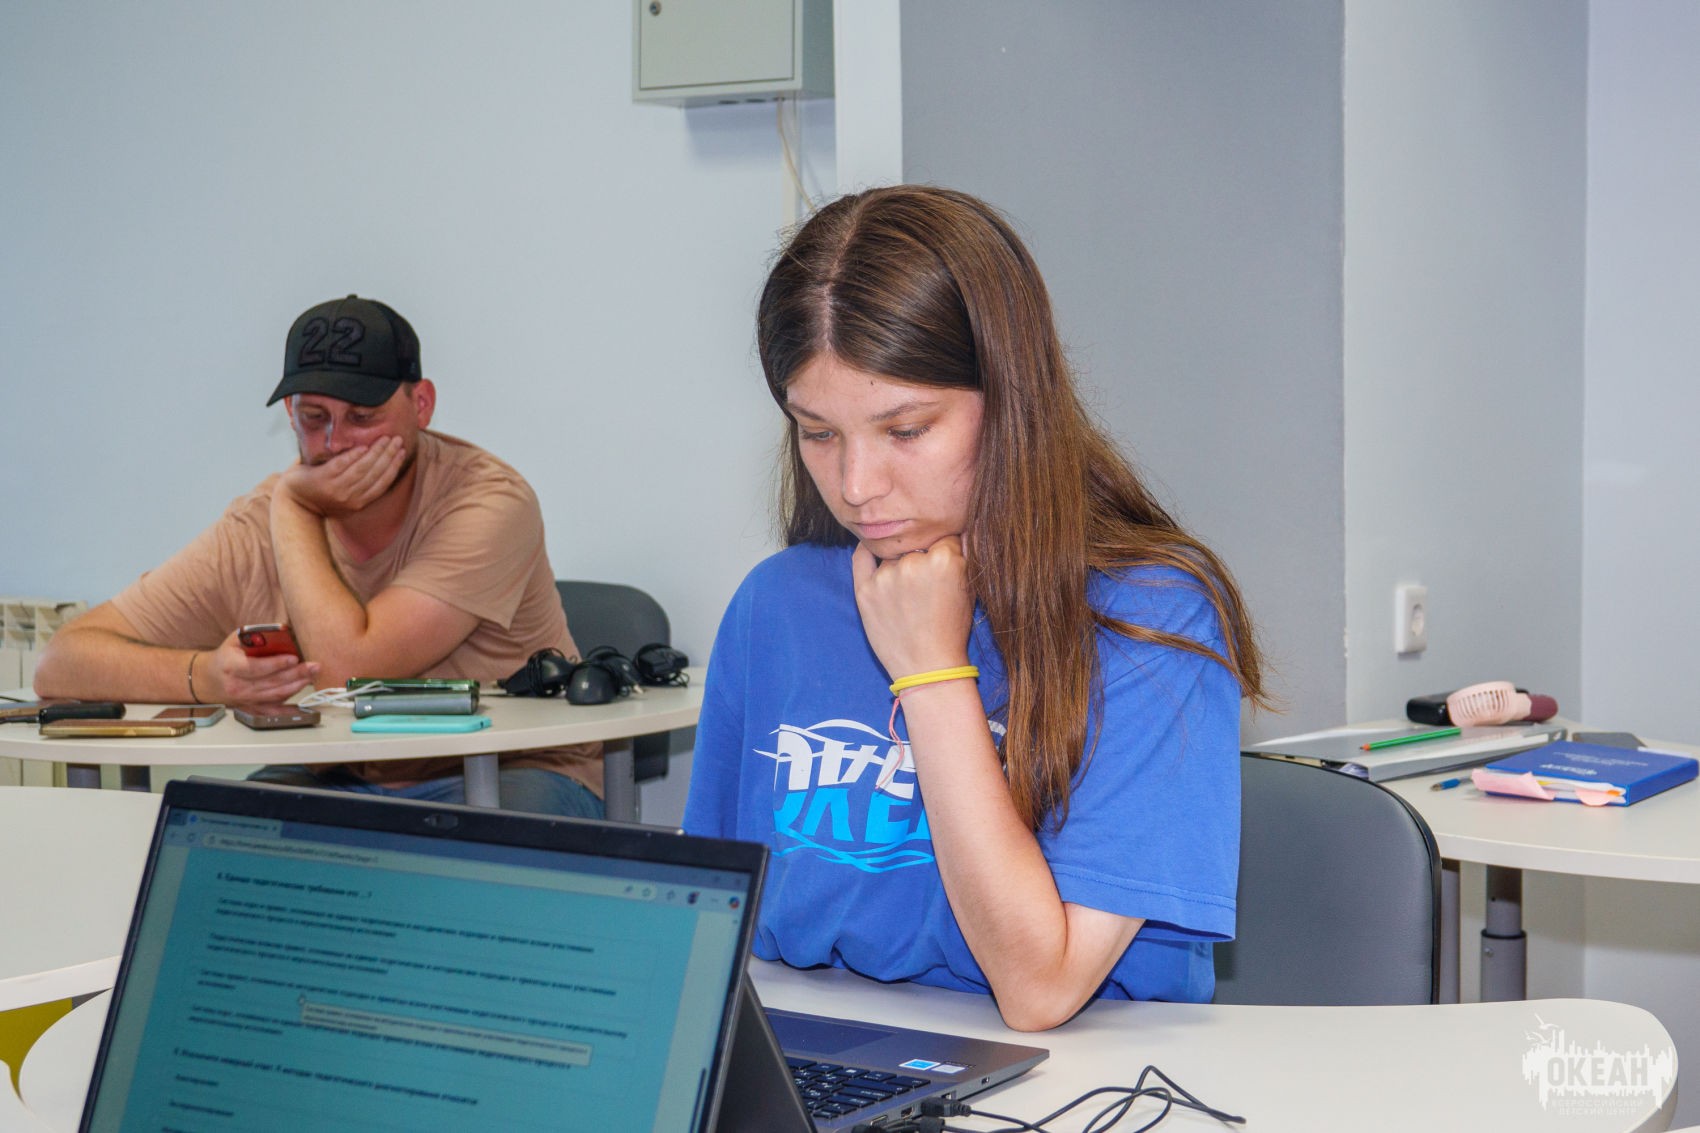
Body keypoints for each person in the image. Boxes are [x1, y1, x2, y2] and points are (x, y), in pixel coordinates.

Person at [682, 187, 1267, 1031]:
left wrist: (932, 674)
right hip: (823, 1055)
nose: (857, 485)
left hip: (1076, 1074)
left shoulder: (1152, 615)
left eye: (906, 430)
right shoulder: (775, 605)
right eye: (818, 432)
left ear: (1012, 400)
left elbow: (1040, 988)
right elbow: (709, 928)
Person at [34, 295, 603, 817]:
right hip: (340, 772)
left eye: (363, 417)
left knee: (469, 861)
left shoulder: (489, 501)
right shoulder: (259, 523)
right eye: (314, 418)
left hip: (511, 767)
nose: (334, 444)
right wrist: (205, 676)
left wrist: (296, 508)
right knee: (211, 835)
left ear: (421, 404)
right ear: (290, 415)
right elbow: (62, 662)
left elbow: (349, 672)